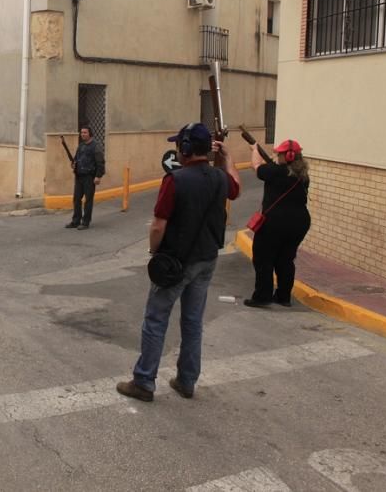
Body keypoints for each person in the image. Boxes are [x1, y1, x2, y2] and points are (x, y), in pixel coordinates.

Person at [117, 122, 240, 402]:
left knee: (155, 320)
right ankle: (186, 380)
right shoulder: (220, 177)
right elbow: (237, 189)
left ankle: (144, 381)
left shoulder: (175, 180)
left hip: (177, 261)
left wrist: (154, 253)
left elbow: (158, 226)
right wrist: (228, 159)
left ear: (185, 149)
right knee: (193, 322)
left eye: (178, 145)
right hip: (207, 258)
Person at [243, 139, 311, 308]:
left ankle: (262, 296)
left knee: (263, 258)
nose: (276, 155)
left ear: (286, 156)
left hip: (274, 223)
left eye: (279, 153)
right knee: (286, 259)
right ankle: (283, 296)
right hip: (299, 223)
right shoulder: (303, 176)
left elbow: (256, 166)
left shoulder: (275, 171)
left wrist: (254, 149)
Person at [65, 125, 105, 230]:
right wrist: (74, 164)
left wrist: (98, 176)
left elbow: (100, 163)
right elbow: (76, 159)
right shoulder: (81, 146)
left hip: (89, 177)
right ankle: (75, 220)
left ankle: (85, 222)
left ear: (90, 134)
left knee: (88, 200)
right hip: (79, 177)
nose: (83, 134)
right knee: (76, 199)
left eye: (85, 132)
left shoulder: (96, 146)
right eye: (81, 132)